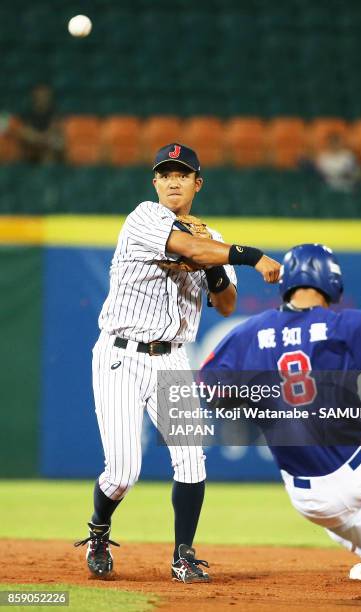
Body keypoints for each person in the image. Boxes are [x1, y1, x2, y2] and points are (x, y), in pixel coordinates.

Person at [74, 143, 281, 583]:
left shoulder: (211, 236)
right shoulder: (144, 217)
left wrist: (214, 265)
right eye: (165, 173)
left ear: (196, 183)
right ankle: (99, 529)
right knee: (123, 472)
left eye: (182, 174)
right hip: (120, 355)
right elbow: (188, 247)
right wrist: (248, 254)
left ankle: (183, 555)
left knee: (192, 461)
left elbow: (225, 304)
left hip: (173, 358)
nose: (172, 180)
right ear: (154, 182)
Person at [202, 243, 361, 592]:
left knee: (338, 514)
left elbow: (208, 388)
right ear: (332, 282)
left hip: (308, 499)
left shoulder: (250, 333)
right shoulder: (343, 325)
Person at [18, 83, 64, 163]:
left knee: (55, 144)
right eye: (39, 95)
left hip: (48, 143)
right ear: (34, 97)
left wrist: (45, 139)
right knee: (26, 137)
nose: (42, 98)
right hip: (33, 143)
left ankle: (48, 171)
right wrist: (39, 138)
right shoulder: (27, 113)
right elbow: (25, 130)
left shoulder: (55, 112)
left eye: (44, 95)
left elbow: (55, 128)